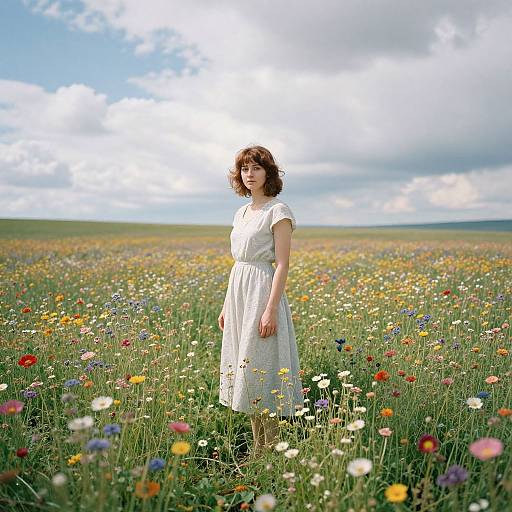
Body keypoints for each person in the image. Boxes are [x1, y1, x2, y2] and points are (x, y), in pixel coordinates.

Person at [218, 145, 304, 459]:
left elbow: (282, 264)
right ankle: (258, 449)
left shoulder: (278, 211)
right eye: (244, 169)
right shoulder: (240, 213)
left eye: (256, 168)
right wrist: (227, 305)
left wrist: (270, 309)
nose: (249, 174)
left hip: (261, 291)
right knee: (247, 369)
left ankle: (270, 451)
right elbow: (238, 261)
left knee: (263, 367)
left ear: (268, 172)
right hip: (238, 291)